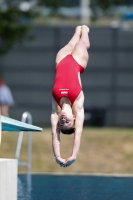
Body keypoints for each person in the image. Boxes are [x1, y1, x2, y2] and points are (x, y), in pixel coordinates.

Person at [51, 25, 90, 167]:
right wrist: (73, 155)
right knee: (82, 43)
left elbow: (55, 135)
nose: (63, 121)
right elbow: (78, 134)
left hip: (60, 61)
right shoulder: (78, 107)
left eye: (61, 124)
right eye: (67, 122)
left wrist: (57, 156)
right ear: (74, 118)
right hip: (78, 62)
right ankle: (85, 31)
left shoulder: (56, 109)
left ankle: (77, 31)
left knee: (71, 43)